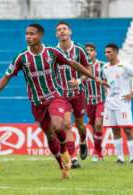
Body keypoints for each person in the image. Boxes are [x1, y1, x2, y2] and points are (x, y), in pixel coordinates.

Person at [0, 23, 102, 179]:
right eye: (27, 34)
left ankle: (65, 151)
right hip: (37, 103)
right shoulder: (21, 57)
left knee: (60, 126)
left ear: (40, 36)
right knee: (50, 136)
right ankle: (62, 166)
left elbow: (73, 63)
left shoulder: (52, 52)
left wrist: (94, 78)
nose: (28, 37)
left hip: (55, 97)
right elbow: (6, 77)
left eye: (32, 34)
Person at [54, 21, 91, 168]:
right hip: (62, 95)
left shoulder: (79, 49)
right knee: (67, 124)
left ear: (70, 32)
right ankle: (73, 158)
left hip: (78, 93)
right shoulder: (53, 51)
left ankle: (83, 141)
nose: (62, 31)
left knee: (81, 125)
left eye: (64, 29)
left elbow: (88, 69)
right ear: (56, 34)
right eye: (59, 30)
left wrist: (80, 81)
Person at [102, 43, 133, 164]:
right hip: (110, 103)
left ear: (116, 52)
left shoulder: (125, 66)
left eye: (109, 52)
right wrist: (107, 94)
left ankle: (132, 158)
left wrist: (132, 94)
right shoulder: (105, 67)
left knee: (127, 130)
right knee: (115, 130)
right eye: (105, 52)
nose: (107, 54)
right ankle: (120, 158)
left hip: (123, 103)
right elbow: (106, 81)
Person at [83, 43, 107, 162]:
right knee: (93, 127)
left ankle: (96, 152)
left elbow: (108, 82)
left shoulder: (102, 66)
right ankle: (99, 151)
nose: (89, 52)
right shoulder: (81, 67)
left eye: (91, 50)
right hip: (88, 102)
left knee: (98, 124)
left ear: (95, 53)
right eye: (86, 50)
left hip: (100, 101)